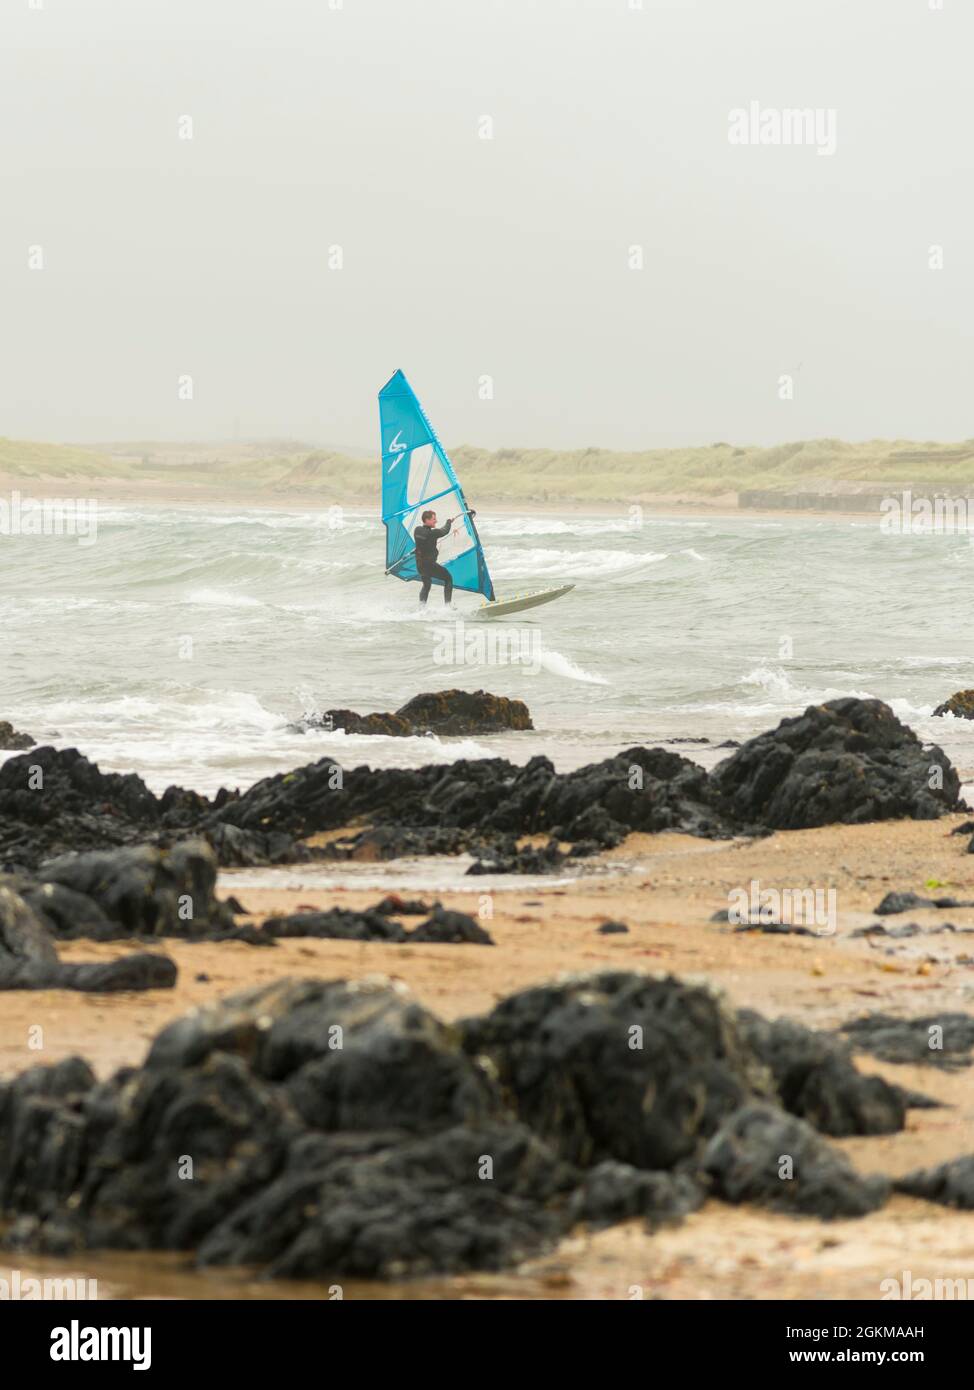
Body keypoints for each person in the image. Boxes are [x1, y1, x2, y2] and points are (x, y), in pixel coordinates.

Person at [414, 508, 455, 604]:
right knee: (448, 579)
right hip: (429, 565)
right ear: (427, 520)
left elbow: (422, 542)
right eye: (433, 519)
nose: (436, 521)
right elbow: (445, 530)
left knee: (426, 585)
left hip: (420, 565)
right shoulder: (433, 533)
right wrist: (449, 522)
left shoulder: (417, 530)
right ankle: (448, 607)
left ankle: (421, 608)